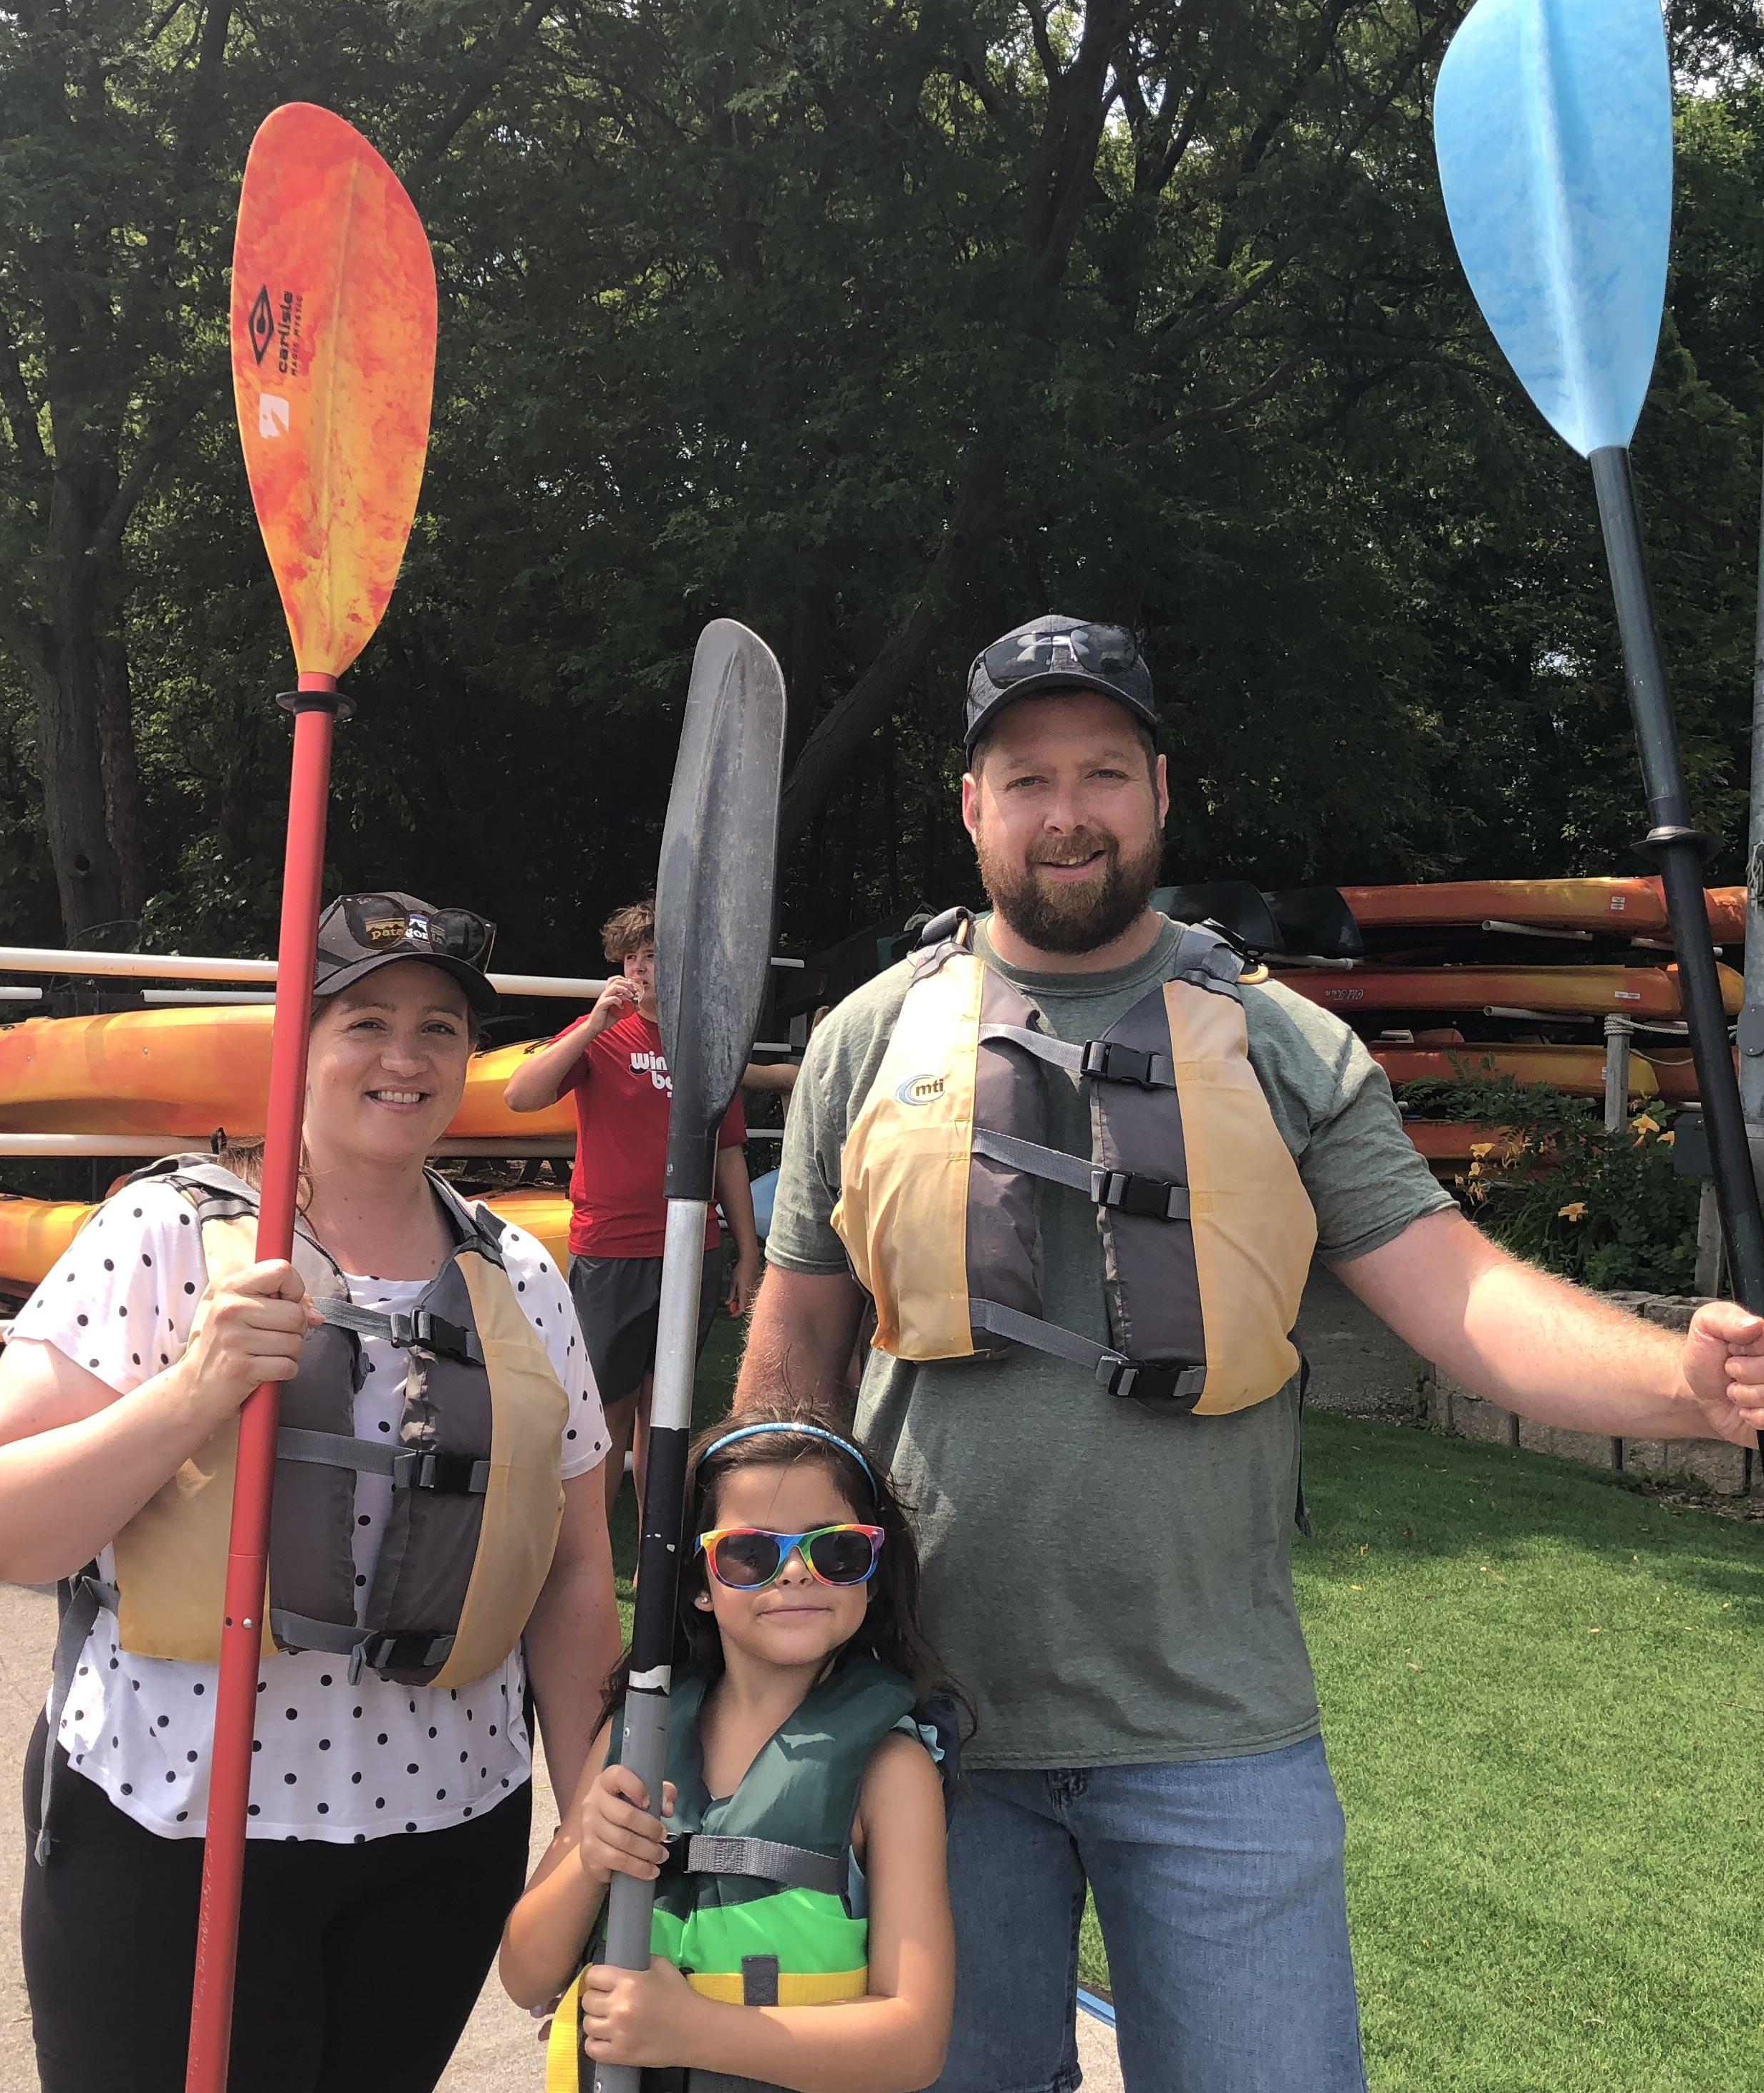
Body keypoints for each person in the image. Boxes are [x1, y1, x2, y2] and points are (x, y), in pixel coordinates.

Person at [734, 616, 1764, 2093]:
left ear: (1160, 790)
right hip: (925, 1722)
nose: (1067, 811)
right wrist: (756, 1645)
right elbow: (793, 1368)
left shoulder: (1286, 1047)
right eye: (1026, 779)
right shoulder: (865, 1038)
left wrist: (1684, 1381)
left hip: (1216, 1734)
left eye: (1102, 772)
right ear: (973, 810)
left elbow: (1460, 1296)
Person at [0, 892, 622, 2093]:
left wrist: (584, 1830)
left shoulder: (518, 1270)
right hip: (172, 1826)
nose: (404, 1056)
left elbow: (572, 1567)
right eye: (364, 1019)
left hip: (442, 1830)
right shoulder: (159, 1233)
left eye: (438, 1028)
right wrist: (196, 1384)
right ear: (295, 1042)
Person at [498, 1410, 956, 2093]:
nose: (797, 1572)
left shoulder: (890, 1773)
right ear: (698, 1584)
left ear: (873, 1572)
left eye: (835, 1551)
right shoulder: (637, 1739)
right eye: (750, 1554)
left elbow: (914, 2043)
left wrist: (690, 2031)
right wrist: (590, 1861)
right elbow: (524, 1974)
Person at [504, 898, 763, 1506]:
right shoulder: (600, 1032)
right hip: (612, 1249)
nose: (646, 969)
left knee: (667, 1406)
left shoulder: (707, 1045)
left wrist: (747, 1252)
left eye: (658, 956)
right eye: (635, 957)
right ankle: (592, 1549)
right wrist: (594, 1023)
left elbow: (728, 1152)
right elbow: (520, 1096)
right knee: (606, 1404)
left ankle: (659, 1556)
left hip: (692, 1249)